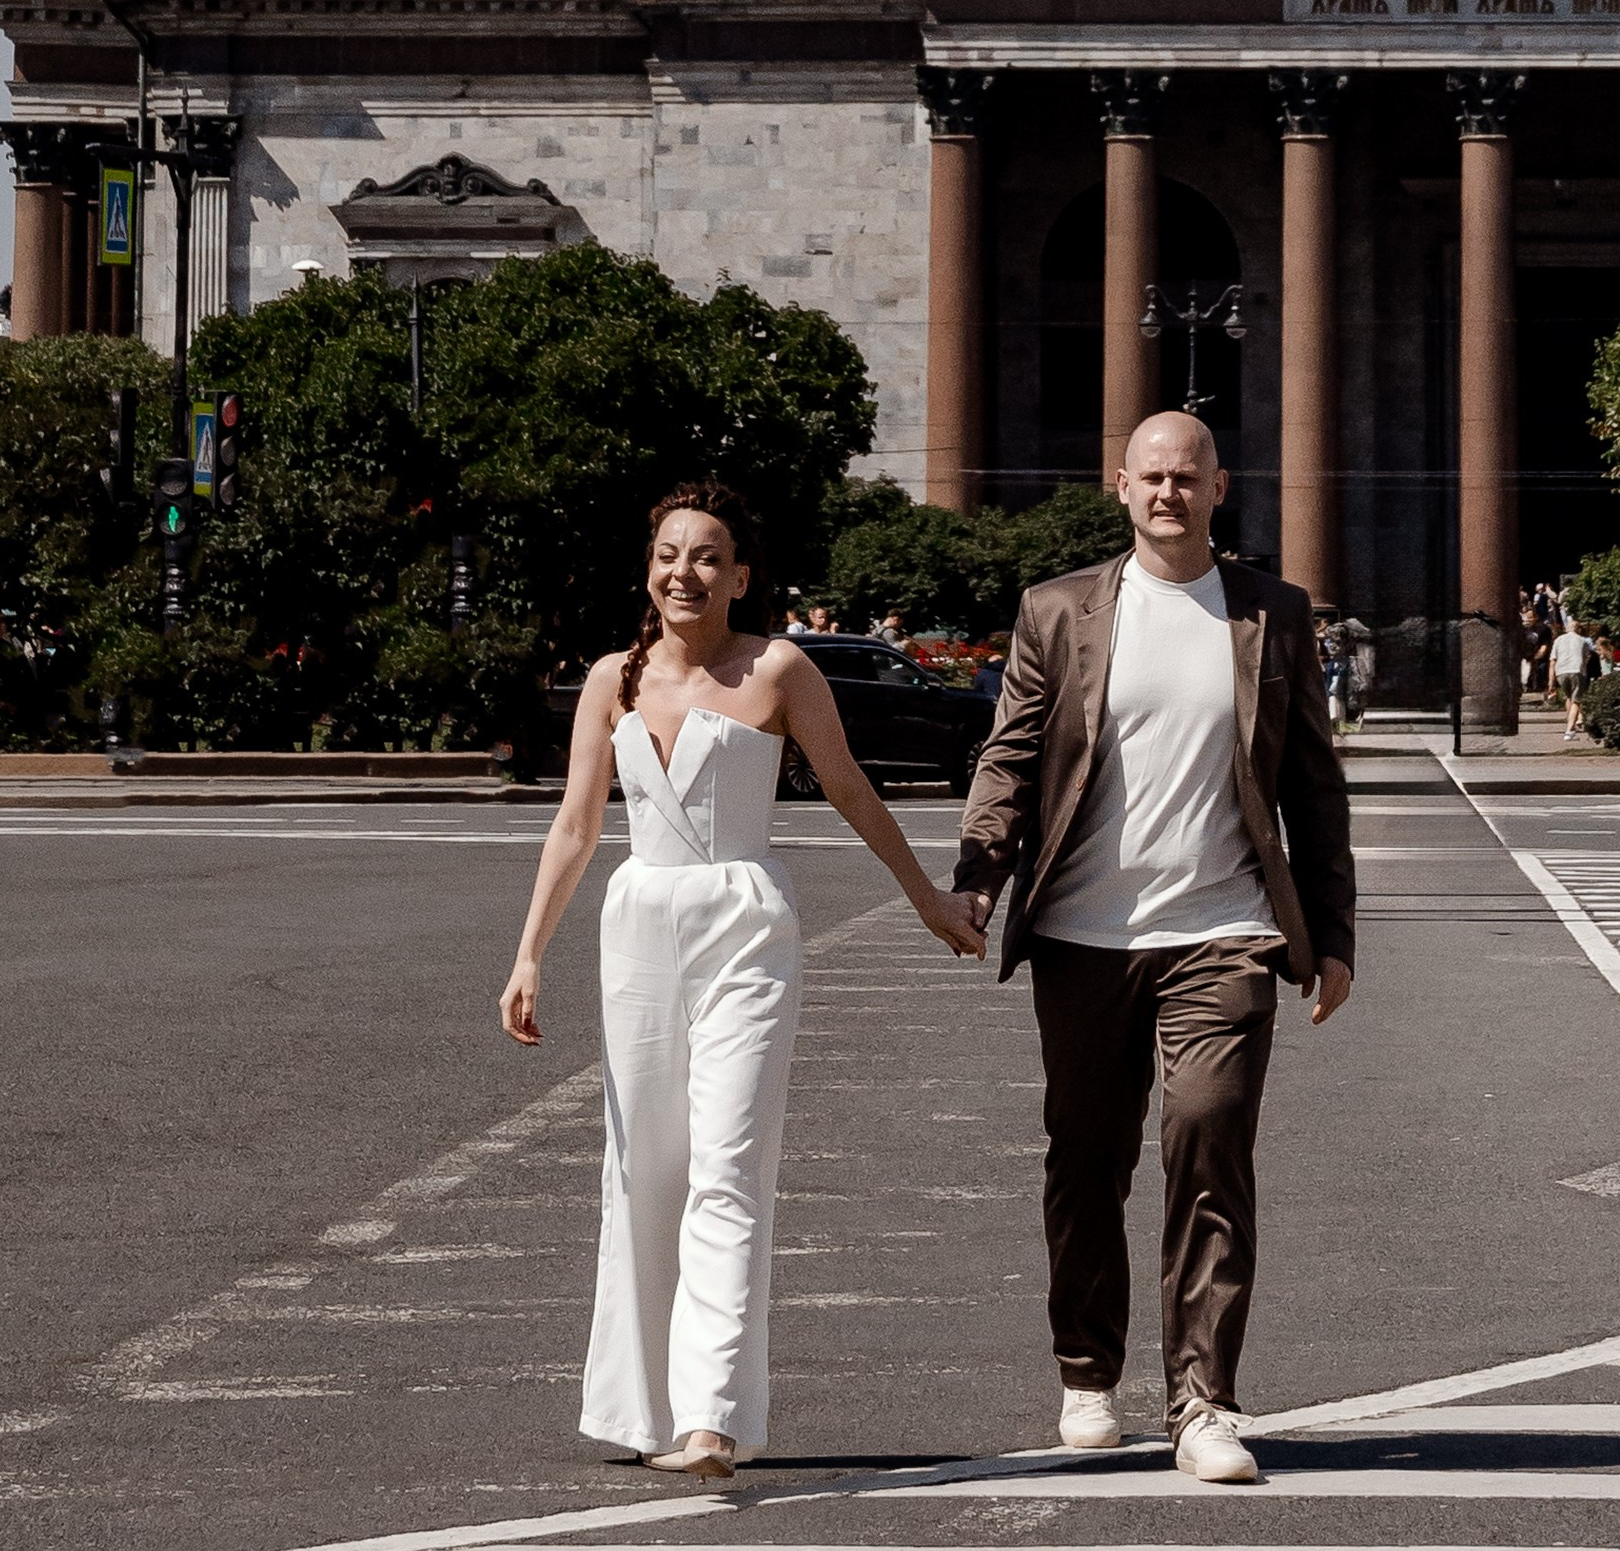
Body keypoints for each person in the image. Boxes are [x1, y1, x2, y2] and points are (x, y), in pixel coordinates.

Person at [498, 480, 979, 1481]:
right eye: (672, 553)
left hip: (746, 927)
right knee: (643, 1173)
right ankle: (640, 1410)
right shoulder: (609, 680)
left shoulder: (780, 669)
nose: (687, 571)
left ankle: (713, 1417)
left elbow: (850, 787)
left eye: (709, 555)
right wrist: (529, 954)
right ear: (649, 568)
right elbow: (579, 826)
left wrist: (927, 898)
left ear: (741, 576)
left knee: (727, 1163)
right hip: (639, 925)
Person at [953, 410, 1355, 1488]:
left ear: (1219, 489)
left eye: (1188, 477)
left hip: (1221, 931)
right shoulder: (1061, 611)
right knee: (1085, 1161)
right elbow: (1012, 752)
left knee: (1207, 1140)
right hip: (1084, 937)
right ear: (1120, 487)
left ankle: (1205, 1402)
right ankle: (1087, 1374)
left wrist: (1333, 936)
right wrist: (979, 877)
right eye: (1152, 479)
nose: (1169, 493)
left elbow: (1313, 788)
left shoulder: (1272, 611)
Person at [1550, 609, 1599, 742]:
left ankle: (1570, 721)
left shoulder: (1558, 640)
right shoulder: (1582, 641)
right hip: (1577, 670)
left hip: (1561, 671)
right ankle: (1570, 729)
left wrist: (1551, 683)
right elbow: (1587, 657)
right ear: (1577, 629)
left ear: (1567, 628)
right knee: (1577, 700)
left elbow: (1552, 661)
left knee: (1568, 697)